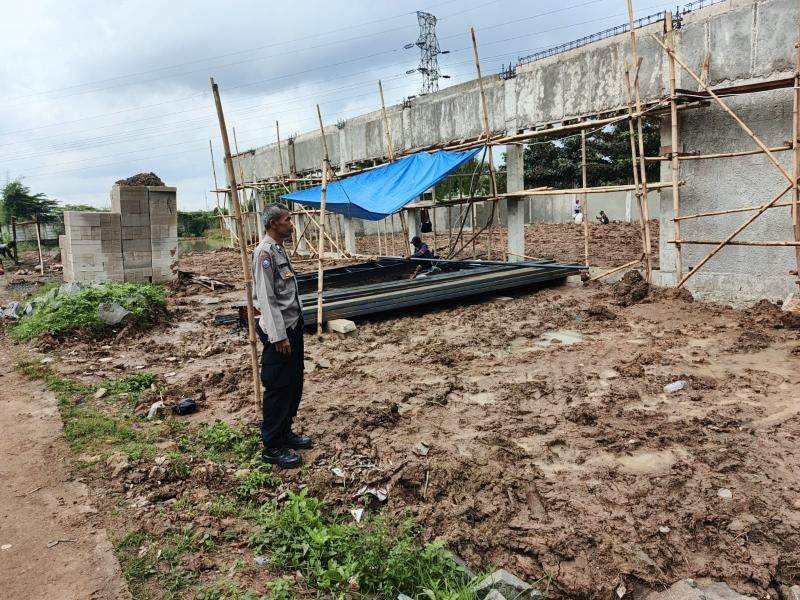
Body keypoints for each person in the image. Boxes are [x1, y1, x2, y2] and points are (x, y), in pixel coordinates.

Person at [251, 203, 310, 469]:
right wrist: (278, 337)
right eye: (288, 219)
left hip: (292, 326)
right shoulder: (264, 253)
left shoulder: (278, 250)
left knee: (294, 383)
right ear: (274, 223)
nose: (292, 223)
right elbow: (266, 298)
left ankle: (286, 431)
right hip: (280, 332)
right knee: (277, 386)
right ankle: (272, 445)